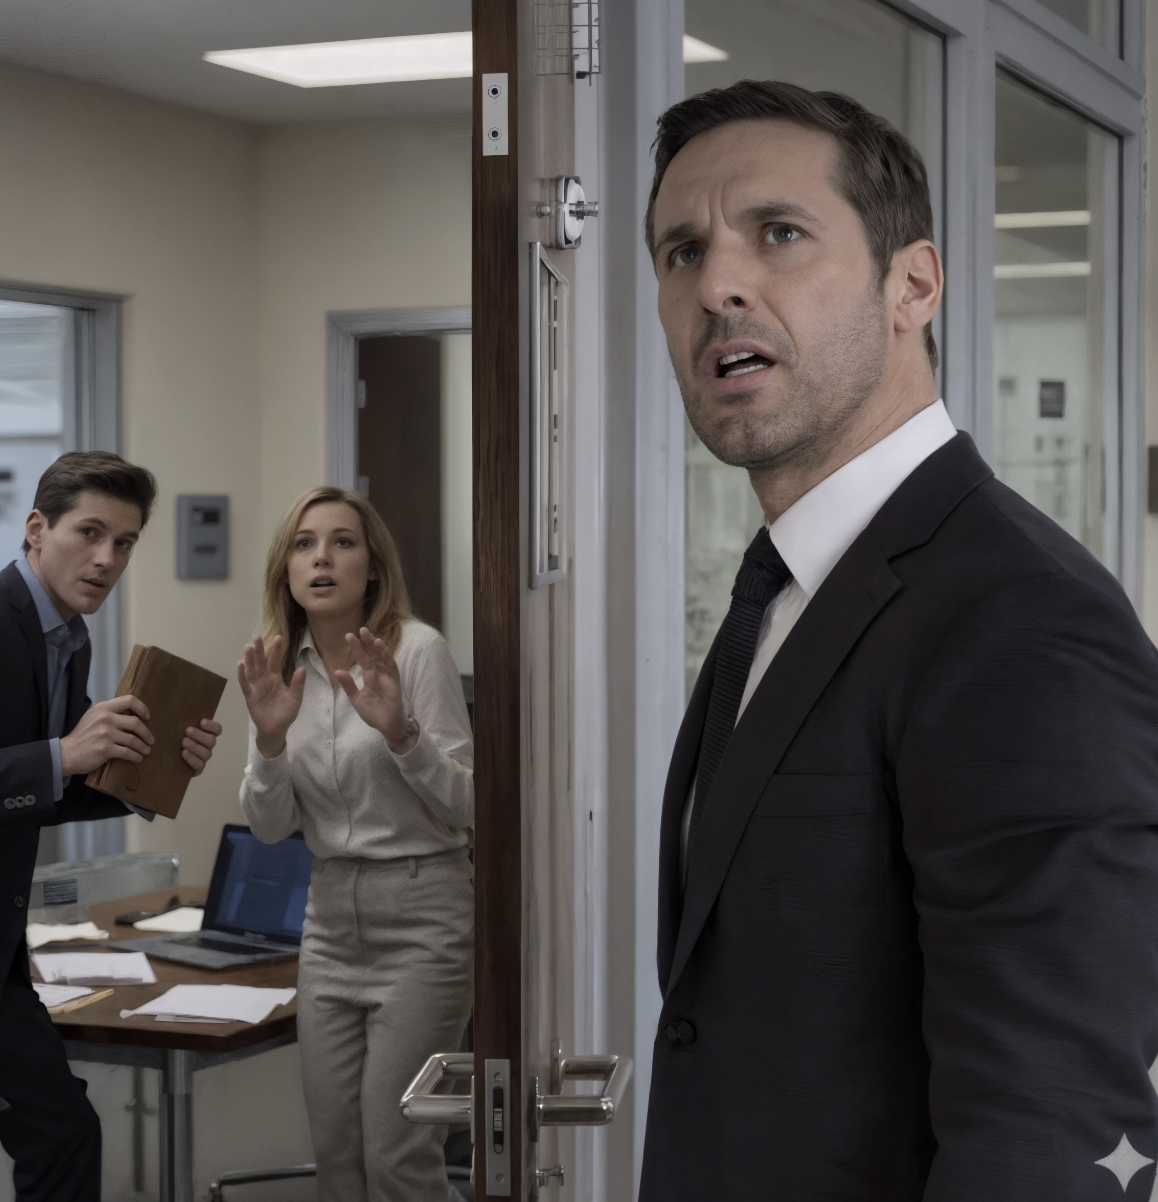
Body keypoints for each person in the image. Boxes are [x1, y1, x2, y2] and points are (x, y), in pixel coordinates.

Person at [640, 81, 1158, 1201]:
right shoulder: (788, 590)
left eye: (779, 233)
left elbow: (1049, 1127)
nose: (718, 284)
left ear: (911, 286)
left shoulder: (1022, 618)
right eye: (682, 252)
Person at [237, 485, 473, 1202]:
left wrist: (401, 735)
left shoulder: (418, 650)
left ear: (372, 566)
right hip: (331, 922)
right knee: (337, 1159)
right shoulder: (277, 667)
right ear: (285, 570)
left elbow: (468, 805)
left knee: (397, 1157)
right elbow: (269, 827)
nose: (322, 559)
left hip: (423, 918)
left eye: (343, 542)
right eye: (304, 544)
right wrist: (269, 742)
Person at [0, 451, 222, 1202]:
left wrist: (150, 774)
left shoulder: (69, 636)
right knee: (61, 1132)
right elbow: (53, 765)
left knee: (62, 1132)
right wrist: (66, 753)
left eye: (124, 543)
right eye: (89, 533)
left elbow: (43, 794)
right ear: (37, 528)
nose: (106, 559)